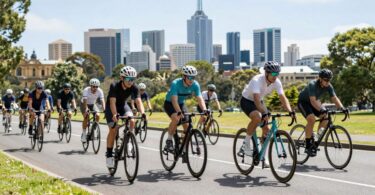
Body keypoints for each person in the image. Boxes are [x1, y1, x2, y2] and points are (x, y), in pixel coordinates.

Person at [239, 61, 295, 166]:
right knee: (258, 117)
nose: (275, 76)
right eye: (273, 74)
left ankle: (262, 156)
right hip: (247, 100)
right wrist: (263, 113)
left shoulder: (277, 82)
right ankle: (246, 144)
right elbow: (255, 99)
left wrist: (290, 111)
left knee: (266, 130)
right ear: (266, 73)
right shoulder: (257, 80)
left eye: (277, 74)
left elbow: (283, 97)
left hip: (259, 101)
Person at [297, 68, 348, 157]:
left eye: (329, 80)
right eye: (326, 80)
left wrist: (342, 108)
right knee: (311, 119)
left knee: (325, 117)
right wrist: (321, 109)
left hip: (314, 102)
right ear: (320, 78)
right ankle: (308, 145)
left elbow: (334, 98)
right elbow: (312, 101)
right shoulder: (312, 84)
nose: (328, 82)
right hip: (303, 102)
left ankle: (316, 141)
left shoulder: (328, 86)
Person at [163, 65, 208, 160]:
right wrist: (179, 112)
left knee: (187, 127)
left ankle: (183, 149)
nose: (192, 80)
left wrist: (204, 110)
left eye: (193, 77)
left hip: (181, 103)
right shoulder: (175, 83)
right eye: (189, 77)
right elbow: (174, 100)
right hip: (170, 103)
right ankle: (169, 140)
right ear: (184, 76)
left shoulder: (195, 85)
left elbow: (200, 98)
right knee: (176, 118)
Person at [105, 66, 147, 168]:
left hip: (123, 105)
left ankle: (128, 142)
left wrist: (143, 113)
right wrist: (115, 114)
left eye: (132, 79)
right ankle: (109, 155)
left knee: (132, 120)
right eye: (128, 79)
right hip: (112, 108)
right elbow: (112, 103)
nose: (130, 82)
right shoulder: (114, 86)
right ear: (122, 78)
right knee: (113, 129)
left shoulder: (134, 87)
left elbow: (138, 101)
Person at [81, 78, 105, 143]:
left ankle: (93, 129)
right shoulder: (86, 90)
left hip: (92, 104)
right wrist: (86, 109)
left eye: (96, 87)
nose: (95, 88)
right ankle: (83, 133)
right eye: (93, 86)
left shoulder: (100, 91)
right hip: (84, 104)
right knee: (86, 116)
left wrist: (104, 109)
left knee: (97, 115)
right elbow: (85, 100)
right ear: (90, 86)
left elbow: (102, 100)